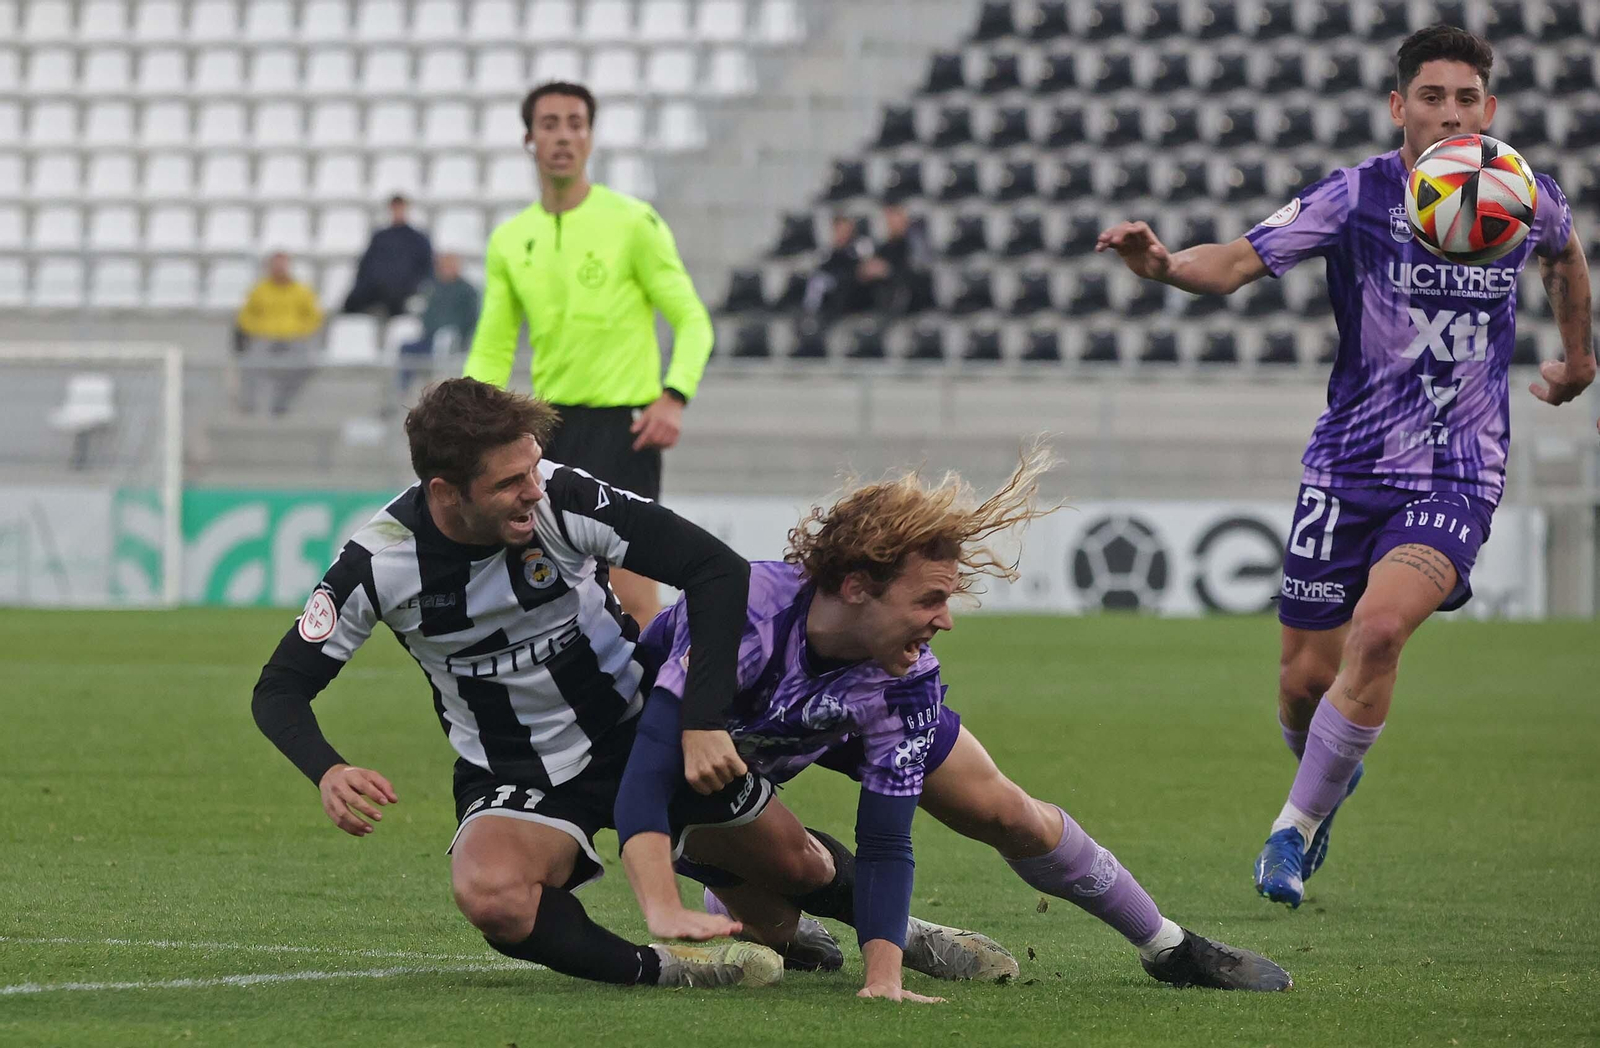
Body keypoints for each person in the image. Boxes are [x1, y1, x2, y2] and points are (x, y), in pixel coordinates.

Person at [1095, 25, 1594, 908]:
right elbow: (1236, 263)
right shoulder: (1356, 196)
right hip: (1348, 468)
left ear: (1489, 107)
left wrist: (1580, 358)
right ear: (1400, 106)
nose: (1450, 115)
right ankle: (1326, 772)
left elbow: (1565, 256)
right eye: (1431, 97)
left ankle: (1292, 830)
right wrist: (1164, 265)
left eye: (1467, 99)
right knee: (1302, 687)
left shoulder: (1520, 192)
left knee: (1380, 631)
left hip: (1457, 471)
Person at [614, 448, 1295, 998]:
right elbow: (647, 758)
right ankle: (842, 918)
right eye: (930, 599)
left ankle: (1168, 946)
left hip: (847, 707)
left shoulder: (904, 676)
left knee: (1008, 812)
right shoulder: (746, 617)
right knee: (793, 890)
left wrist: (883, 980)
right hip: (696, 767)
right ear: (857, 587)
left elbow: (886, 837)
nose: (946, 619)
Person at [250, 377, 784, 990]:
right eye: (509, 482)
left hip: (635, 725)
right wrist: (327, 769)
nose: (534, 489)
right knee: (492, 895)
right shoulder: (379, 562)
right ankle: (667, 971)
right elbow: (279, 687)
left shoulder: (561, 495)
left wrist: (701, 721)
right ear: (445, 492)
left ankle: (839, 930)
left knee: (799, 873)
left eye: (532, 466)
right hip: (512, 765)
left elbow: (716, 568)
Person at [464, 81, 714, 626]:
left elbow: (693, 320)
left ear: (590, 138)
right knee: (550, 596)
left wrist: (674, 397)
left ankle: (654, 684)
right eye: (550, 124)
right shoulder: (511, 239)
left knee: (632, 596)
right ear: (529, 139)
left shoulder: (633, 222)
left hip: (623, 433)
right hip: (547, 433)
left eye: (575, 124)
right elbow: (493, 344)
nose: (563, 136)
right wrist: (469, 418)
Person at [233, 251, 322, 416]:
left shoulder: (302, 291)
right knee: (250, 364)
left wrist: (299, 330)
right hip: (264, 337)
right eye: (275, 266)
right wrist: (259, 329)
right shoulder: (259, 290)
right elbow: (245, 316)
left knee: (306, 365)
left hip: (293, 338)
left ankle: (281, 403)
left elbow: (314, 316)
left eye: (282, 266)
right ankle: (248, 406)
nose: (279, 269)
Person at [343, 194, 434, 319]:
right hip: (377, 287)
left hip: (403, 289)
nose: (397, 212)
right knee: (351, 303)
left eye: (400, 208)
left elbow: (426, 267)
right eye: (395, 208)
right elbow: (366, 265)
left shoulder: (418, 239)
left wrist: (413, 286)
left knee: (398, 307)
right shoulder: (380, 237)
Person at [399, 253, 480, 392]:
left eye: (449, 265)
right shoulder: (431, 287)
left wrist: (459, 336)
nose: (445, 269)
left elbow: (471, 319)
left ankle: (438, 390)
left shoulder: (467, 291)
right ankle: (402, 391)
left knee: (443, 341)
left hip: (451, 342)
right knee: (406, 348)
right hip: (427, 338)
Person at [856, 203, 933, 317]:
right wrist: (863, 274)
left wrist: (888, 271)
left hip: (917, 311)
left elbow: (920, 278)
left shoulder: (917, 244)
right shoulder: (885, 248)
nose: (891, 221)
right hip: (888, 310)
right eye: (888, 217)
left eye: (895, 215)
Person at [800, 213, 870, 323]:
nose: (843, 235)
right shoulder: (827, 252)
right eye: (840, 230)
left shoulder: (855, 251)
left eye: (846, 231)